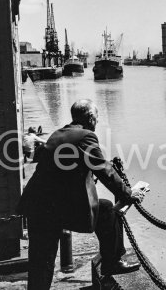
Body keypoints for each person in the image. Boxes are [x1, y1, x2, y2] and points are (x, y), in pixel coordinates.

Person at [18, 99, 144, 290]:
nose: (97, 122)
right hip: (53, 208)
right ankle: (112, 261)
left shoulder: (58, 133)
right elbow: (104, 170)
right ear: (91, 118)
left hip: (38, 204)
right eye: (97, 118)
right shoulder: (86, 136)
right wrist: (128, 193)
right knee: (107, 209)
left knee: (40, 263)